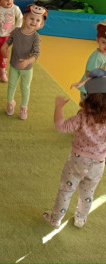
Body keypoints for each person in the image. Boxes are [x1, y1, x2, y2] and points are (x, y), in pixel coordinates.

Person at [43, 68, 106, 229]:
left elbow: (60, 126)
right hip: (98, 165)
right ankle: (80, 219)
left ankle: (55, 219)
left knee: (66, 190)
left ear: (88, 98)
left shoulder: (82, 117)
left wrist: (59, 107)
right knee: (87, 194)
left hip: (77, 162)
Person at [1, 4, 48, 120]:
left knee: (25, 88)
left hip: (27, 69)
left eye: (37, 20)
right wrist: (4, 46)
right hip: (14, 65)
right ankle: (10, 103)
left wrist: (27, 61)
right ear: (25, 18)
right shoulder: (16, 31)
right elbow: (9, 41)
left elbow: (36, 54)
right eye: (31, 18)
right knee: (11, 85)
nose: (34, 22)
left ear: (41, 24)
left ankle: (23, 107)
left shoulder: (36, 37)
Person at [73, 21, 106, 100]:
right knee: (88, 107)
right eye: (103, 42)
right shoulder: (97, 57)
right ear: (97, 40)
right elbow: (90, 74)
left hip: (97, 89)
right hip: (88, 91)